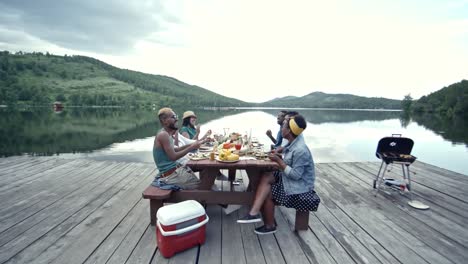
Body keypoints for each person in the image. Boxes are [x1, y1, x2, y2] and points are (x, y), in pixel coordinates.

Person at [237, 115, 320, 235]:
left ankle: (270, 225)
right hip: (292, 180)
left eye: (284, 126)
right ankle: (253, 213)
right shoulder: (293, 143)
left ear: (289, 131)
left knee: (269, 192)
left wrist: (279, 161)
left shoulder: (300, 150)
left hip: (299, 186)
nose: (281, 129)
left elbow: (296, 175)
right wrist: (279, 156)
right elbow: (289, 160)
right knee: (266, 175)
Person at [152, 107, 206, 190]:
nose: (177, 119)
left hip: (174, 171)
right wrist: (191, 147)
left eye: (176, 116)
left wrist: (191, 145)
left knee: (204, 177)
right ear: (164, 120)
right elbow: (173, 157)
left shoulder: (166, 133)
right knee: (201, 187)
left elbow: (175, 150)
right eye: (173, 117)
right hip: (171, 175)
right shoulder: (163, 135)